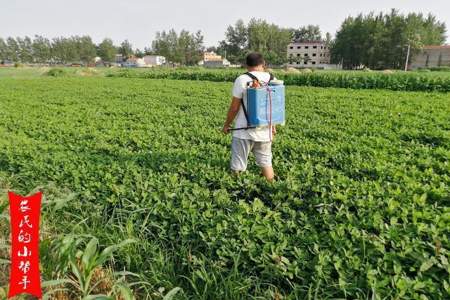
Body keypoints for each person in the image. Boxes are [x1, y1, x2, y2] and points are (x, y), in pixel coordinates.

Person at [222, 52, 276, 181]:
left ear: (246, 65)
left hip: (243, 130)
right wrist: (273, 126)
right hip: (265, 129)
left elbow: (234, 107)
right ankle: (272, 188)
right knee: (266, 162)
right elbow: (273, 105)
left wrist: (227, 125)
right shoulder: (272, 79)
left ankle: (237, 191)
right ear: (263, 64)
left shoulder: (242, 79)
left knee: (238, 165)